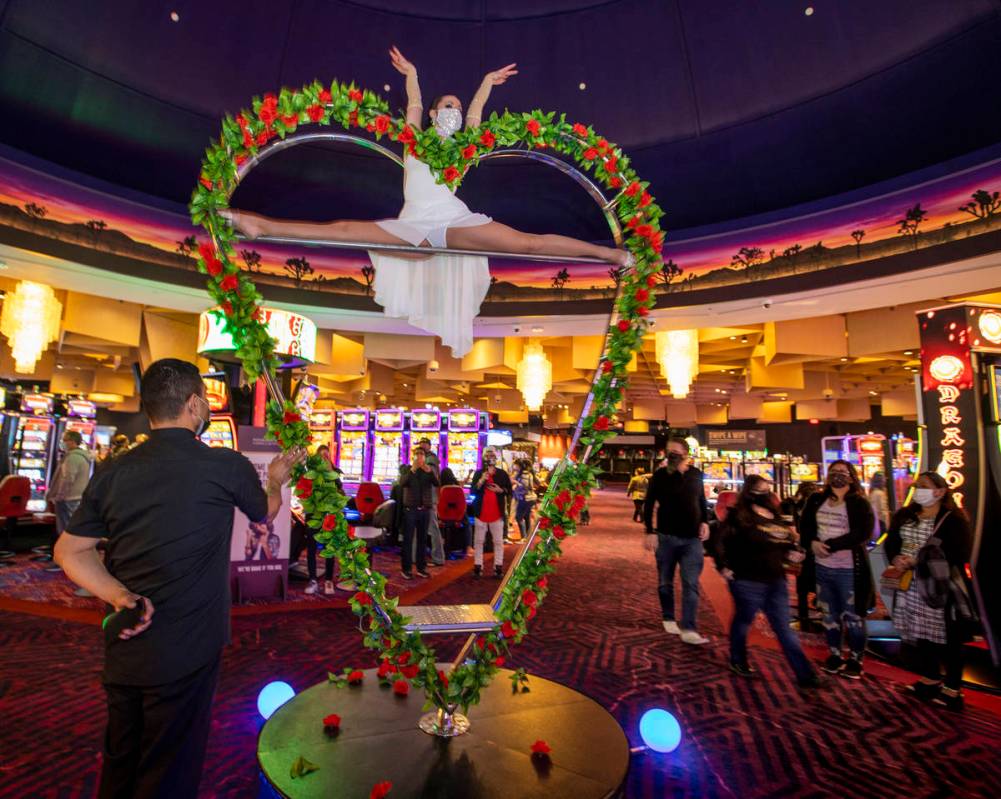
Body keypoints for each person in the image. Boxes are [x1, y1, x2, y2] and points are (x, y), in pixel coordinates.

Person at [223, 47, 631, 357]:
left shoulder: (466, 149)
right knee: (343, 231)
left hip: (453, 221)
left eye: (456, 107)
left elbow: (476, 114)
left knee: (529, 244)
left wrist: (487, 82)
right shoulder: (414, 142)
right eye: (447, 106)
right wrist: (413, 75)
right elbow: (413, 105)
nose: (454, 111)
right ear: (435, 113)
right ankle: (260, 224)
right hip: (413, 224)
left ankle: (608, 254)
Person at [53, 358, 304, 799]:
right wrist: (278, 481)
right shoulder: (225, 465)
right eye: (204, 401)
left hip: (126, 642)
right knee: (169, 768)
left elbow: (69, 551)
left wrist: (121, 596)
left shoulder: (112, 470)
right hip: (188, 645)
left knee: (121, 762)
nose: (207, 407)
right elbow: (265, 514)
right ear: (192, 405)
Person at [718, 475, 819, 688]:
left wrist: (791, 554)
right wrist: (723, 567)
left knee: (784, 628)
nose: (763, 493)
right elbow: (719, 541)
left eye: (766, 489)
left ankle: (805, 675)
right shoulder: (739, 516)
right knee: (743, 622)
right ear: (749, 491)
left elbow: (782, 541)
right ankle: (738, 661)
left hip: (775, 579)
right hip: (747, 579)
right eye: (758, 490)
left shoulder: (774, 515)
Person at [884, 471, 973, 710]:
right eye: (917, 485)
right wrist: (897, 558)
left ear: (941, 491)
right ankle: (930, 677)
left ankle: (953, 688)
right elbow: (892, 541)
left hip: (940, 586)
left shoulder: (952, 519)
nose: (918, 490)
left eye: (924, 486)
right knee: (919, 631)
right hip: (910, 584)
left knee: (949, 637)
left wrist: (920, 561)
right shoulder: (905, 514)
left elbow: (960, 553)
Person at [799, 460, 875, 680]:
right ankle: (834, 654)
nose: (837, 476)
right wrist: (812, 543)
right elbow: (805, 526)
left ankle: (855, 659)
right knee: (829, 614)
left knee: (853, 616)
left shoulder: (859, 503)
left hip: (849, 567)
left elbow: (863, 532)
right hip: (822, 567)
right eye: (833, 472)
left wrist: (832, 545)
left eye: (842, 472)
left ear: (851, 476)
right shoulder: (816, 499)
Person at [644, 437, 711, 645]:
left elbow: (701, 500)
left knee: (691, 583)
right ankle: (668, 616)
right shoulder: (660, 476)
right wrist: (650, 531)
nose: (670, 455)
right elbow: (648, 504)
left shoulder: (696, 475)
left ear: (685, 453)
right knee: (665, 582)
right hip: (666, 537)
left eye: (675, 451)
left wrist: (705, 522)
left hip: (692, 539)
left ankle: (689, 627)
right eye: (668, 451)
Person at [470, 448, 512, 578]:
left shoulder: (502, 474)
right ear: (484, 458)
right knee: (478, 541)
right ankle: (478, 567)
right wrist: (482, 479)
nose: (490, 458)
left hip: (497, 513)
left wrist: (501, 490)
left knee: (498, 542)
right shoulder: (479, 473)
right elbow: (473, 491)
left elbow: (509, 491)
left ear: (496, 458)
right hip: (481, 512)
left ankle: (498, 567)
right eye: (488, 455)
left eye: (492, 455)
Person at [398, 447, 439, 579]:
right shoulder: (407, 469)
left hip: (425, 509)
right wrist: (413, 470)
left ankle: (421, 568)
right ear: (413, 457)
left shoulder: (428, 470)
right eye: (417, 454)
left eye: (421, 454)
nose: (419, 457)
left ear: (425, 457)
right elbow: (402, 483)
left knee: (422, 540)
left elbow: (437, 483)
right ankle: (406, 569)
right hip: (411, 509)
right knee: (408, 540)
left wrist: (431, 473)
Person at [47, 429, 94, 538]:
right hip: (77, 497)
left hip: (68, 498)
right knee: (72, 528)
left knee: (66, 530)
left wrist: (59, 496)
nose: (62, 443)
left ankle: (63, 553)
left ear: (72, 442)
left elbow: (67, 479)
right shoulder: (82, 456)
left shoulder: (72, 457)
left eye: (65, 440)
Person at [789, 480, 820, 631]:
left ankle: (803, 615)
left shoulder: (798, 505)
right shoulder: (816, 506)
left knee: (802, 585)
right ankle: (819, 607)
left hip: (803, 547)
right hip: (816, 548)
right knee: (818, 581)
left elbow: (798, 528)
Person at [415, 437, 445, 566]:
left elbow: (430, 476)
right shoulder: (424, 459)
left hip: (429, 498)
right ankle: (416, 556)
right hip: (421, 498)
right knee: (419, 529)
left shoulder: (431, 459)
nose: (422, 446)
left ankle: (438, 558)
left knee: (433, 529)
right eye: (421, 444)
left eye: (425, 444)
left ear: (429, 446)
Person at [511, 459, 539, 539]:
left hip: (524, 498)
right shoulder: (530, 473)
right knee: (527, 517)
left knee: (518, 517)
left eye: (516, 465)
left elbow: (523, 488)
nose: (515, 466)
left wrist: (516, 484)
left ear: (520, 466)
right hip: (530, 499)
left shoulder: (522, 474)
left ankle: (524, 537)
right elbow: (537, 483)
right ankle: (528, 536)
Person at [868, 472, 890, 538]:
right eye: (884, 480)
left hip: (876, 523)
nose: (885, 482)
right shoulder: (880, 494)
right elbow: (882, 511)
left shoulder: (873, 493)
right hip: (880, 523)